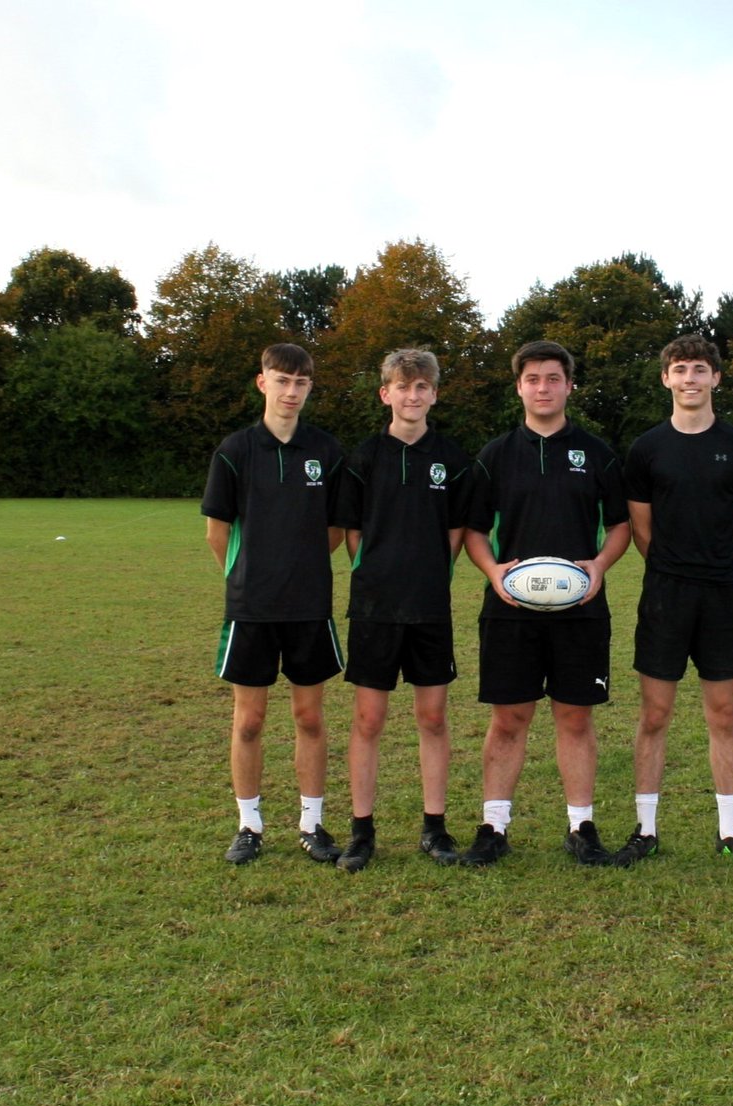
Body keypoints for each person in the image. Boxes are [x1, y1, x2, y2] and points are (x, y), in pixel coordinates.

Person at [460, 340, 631, 866]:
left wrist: (598, 567)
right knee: (509, 717)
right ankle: (494, 827)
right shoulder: (494, 455)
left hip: (580, 610)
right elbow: (473, 529)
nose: (543, 388)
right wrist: (494, 573)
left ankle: (581, 827)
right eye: (533, 378)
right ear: (519, 387)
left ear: (569, 386)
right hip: (510, 610)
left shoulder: (598, 453)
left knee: (574, 717)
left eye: (553, 378)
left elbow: (622, 526)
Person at [611, 334, 733, 866]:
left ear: (716, 378)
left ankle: (731, 831)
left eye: (700, 369)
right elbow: (641, 529)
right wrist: (677, 568)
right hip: (665, 595)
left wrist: (713, 564)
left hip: (723, 594)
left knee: (723, 713)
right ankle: (646, 830)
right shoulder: (646, 448)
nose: (690, 379)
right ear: (666, 379)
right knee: (655, 714)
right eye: (680, 369)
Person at [202, 343, 349, 866]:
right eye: (282, 380)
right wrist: (250, 574)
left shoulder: (326, 451)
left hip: (309, 605)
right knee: (249, 721)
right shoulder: (235, 450)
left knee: (310, 717)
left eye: (301, 383)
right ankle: (249, 824)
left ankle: (312, 824)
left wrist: (299, 564)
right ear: (262, 382)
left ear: (310, 388)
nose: (291, 391)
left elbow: (334, 528)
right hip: (251, 608)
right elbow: (217, 530)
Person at [335, 349, 473, 873]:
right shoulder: (364, 457)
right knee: (369, 719)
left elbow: (458, 530)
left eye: (422, 388)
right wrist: (378, 570)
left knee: (432, 717)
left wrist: (430, 571)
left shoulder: (453, 459)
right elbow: (353, 532)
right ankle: (361, 831)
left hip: (430, 605)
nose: (412, 396)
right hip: (374, 605)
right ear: (385, 394)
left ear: (434, 394)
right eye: (402, 387)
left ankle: (434, 828)